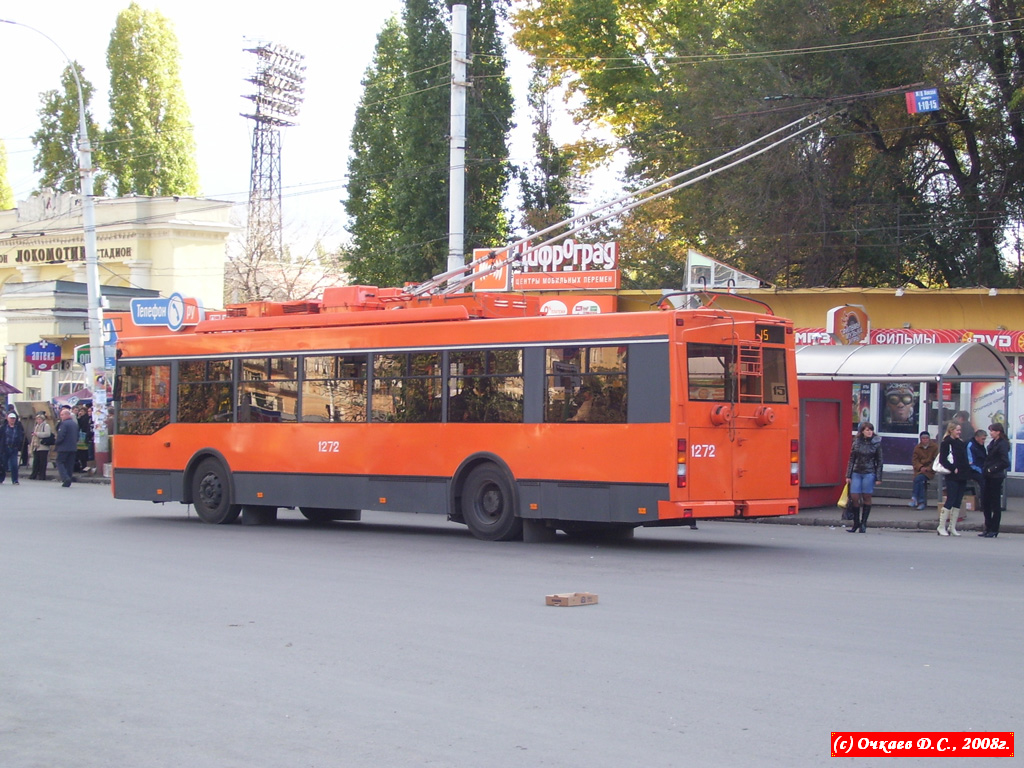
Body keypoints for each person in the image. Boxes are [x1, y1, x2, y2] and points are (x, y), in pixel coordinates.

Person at [845, 422, 883, 533]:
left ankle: (864, 523)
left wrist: (878, 477)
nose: (869, 432)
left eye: (871, 430)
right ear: (862, 431)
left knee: (867, 496)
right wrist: (848, 475)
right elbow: (851, 459)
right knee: (855, 497)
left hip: (869, 472)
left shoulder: (876, 443)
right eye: (867, 430)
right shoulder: (856, 442)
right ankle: (856, 523)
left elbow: (879, 461)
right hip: (856, 472)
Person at [936, 420, 971, 536]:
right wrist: (952, 468)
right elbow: (943, 460)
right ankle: (941, 526)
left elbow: (963, 458)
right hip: (952, 475)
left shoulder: (960, 442)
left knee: (958, 500)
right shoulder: (947, 442)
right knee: (951, 499)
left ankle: (952, 527)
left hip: (962, 474)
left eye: (960, 430)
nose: (959, 432)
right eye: (957, 430)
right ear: (951, 430)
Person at [979, 423, 1010, 537]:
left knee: (995, 503)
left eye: (992, 431)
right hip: (988, 476)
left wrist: (992, 469)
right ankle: (987, 527)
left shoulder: (1002, 444)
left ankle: (994, 529)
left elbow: (1005, 462)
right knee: (985, 502)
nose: (990, 433)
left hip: (995, 477)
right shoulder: (993, 442)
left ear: (998, 432)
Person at [909, 431, 937, 510]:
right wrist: (920, 467)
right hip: (919, 470)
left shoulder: (934, 447)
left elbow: (935, 460)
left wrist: (928, 468)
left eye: (927, 438)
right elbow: (914, 460)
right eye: (923, 438)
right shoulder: (917, 448)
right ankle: (920, 502)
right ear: (920, 439)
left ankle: (915, 498)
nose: (925, 440)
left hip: (929, 471)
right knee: (919, 479)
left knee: (918, 479)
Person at [55, 407, 80, 488]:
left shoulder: (64, 424)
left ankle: (65, 478)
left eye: (62, 415)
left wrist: (56, 443)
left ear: (67, 415)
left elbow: (61, 436)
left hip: (63, 447)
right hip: (73, 447)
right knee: (69, 464)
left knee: (60, 462)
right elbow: (77, 436)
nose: (61, 416)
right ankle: (68, 478)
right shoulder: (74, 424)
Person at [0, 412, 26, 484]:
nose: (12, 420)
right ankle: (1, 478)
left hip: (14, 448)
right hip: (5, 448)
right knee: (3, 465)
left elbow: (21, 436)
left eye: (13, 418)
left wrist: (18, 445)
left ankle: (15, 480)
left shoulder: (18, 428)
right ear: (8, 419)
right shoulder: (3, 427)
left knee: (14, 465)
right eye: (11, 418)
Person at [967, 428, 988, 510]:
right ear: (977, 437)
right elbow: (970, 463)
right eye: (983, 439)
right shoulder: (970, 445)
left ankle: (989, 503)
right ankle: (984, 505)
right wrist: (981, 471)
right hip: (972, 470)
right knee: (984, 482)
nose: (984, 441)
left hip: (981, 468)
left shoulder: (980, 445)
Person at [28, 413, 53, 481]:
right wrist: (32, 446)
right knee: (36, 461)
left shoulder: (46, 425)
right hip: (36, 446)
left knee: (43, 462)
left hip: (43, 446)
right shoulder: (36, 426)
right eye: (37, 419)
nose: (38, 420)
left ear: (43, 419)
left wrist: (37, 434)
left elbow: (48, 434)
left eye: (40, 419)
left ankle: (42, 475)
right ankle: (34, 474)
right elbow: (33, 437)